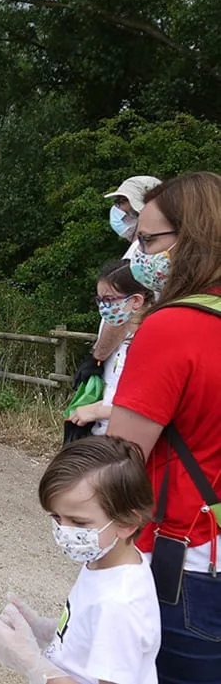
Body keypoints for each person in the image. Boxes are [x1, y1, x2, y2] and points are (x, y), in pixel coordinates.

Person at [107, 171, 221, 681]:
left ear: (192, 240)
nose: (138, 250)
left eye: (149, 239)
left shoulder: (173, 327)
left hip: (185, 562)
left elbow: (119, 462)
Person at [0, 436, 159, 684]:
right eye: (56, 517)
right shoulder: (108, 560)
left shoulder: (120, 606)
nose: (64, 532)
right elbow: (94, 633)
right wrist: (48, 630)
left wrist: (32, 662)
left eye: (79, 523)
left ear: (127, 523)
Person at [73, 175, 163, 388]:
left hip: (127, 353)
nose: (118, 208)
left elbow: (122, 313)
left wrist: (97, 357)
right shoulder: (163, 251)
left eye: (122, 201)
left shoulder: (140, 253)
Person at [68, 260, 153, 435]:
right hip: (104, 434)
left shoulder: (151, 341)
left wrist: (97, 411)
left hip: (130, 440)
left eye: (109, 300)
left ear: (136, 300)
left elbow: (148, 406)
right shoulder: (118, 339)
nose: (103, 307)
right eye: (99, 300)